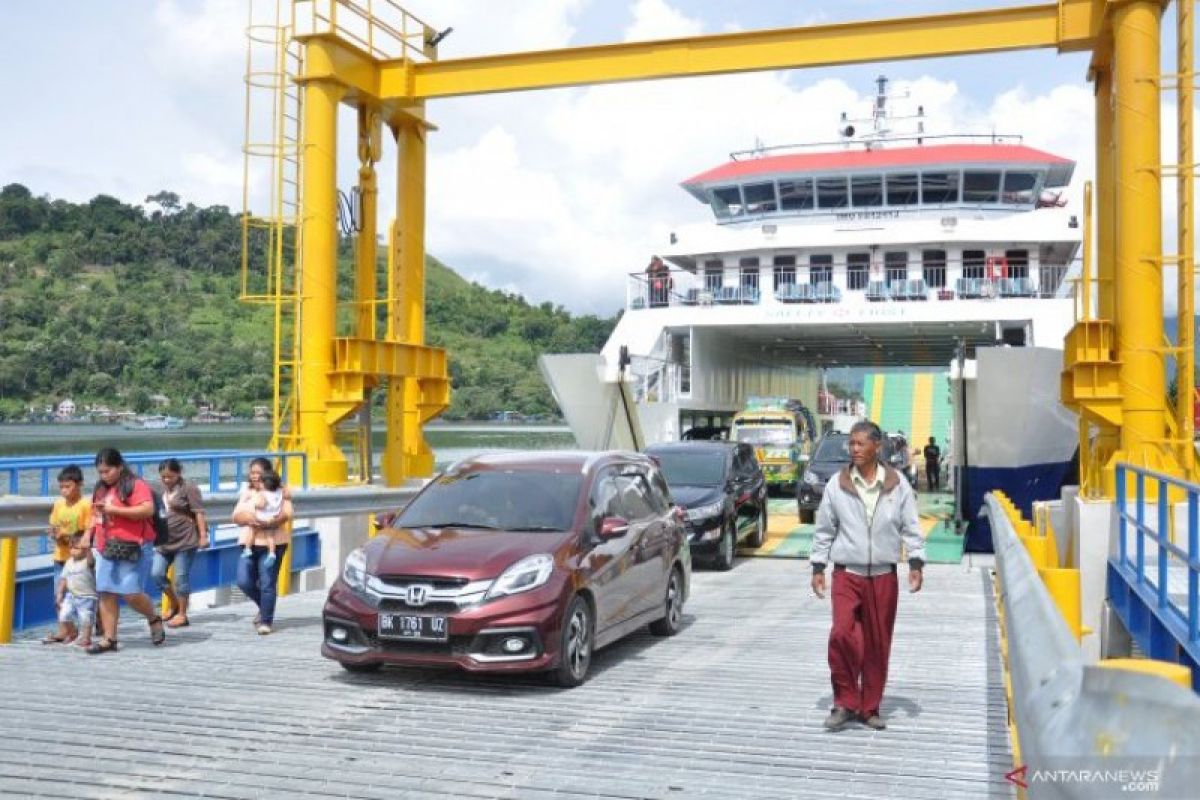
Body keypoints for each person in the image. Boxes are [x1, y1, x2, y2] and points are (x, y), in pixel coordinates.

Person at [810, 420, 925, 732]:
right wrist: (818, 566)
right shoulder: (838, 484)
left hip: (884, 575)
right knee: (842, 634)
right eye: (852, 444)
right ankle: (845, 701)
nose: (854, 449)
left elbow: (911, 526)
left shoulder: (897, 484)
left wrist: (916, 562)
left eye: (860, 444)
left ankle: (869, 707)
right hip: (847, 572)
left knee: (877, 643)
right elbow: (824, 529)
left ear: (878, 447)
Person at [82, 447, 166, 654]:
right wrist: (88, 534)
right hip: (106, 546)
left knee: (130, 593)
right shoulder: (101, 488)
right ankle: (109, 639)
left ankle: (153, 618)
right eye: (100, 472)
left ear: (119, 467)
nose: (104, 476)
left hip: (134, 546)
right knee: (106, 591)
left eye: (107, 471)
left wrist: (115, 510)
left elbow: (147, 509)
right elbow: (96, 514)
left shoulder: (135, 485)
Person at [232, 458, 293, 635]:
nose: (254, 476)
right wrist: (250, 519)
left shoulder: (280, 491)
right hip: (248, 542)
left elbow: (287, 513)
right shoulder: (247, 491)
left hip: (273, 542)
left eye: (258, 473)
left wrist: (270, 522)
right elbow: (235, 515)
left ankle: (266, 620)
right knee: (243, 581)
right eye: (252, 473)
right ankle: (264, 605)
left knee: (267, 583)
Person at [151, 458, 209, 628]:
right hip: (164, 540)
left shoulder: (189, 489)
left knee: (181, 578)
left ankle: (183, 614)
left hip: (185, 539)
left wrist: (203, 536)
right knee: (157, 573)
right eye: (163, 477)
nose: (166, 480)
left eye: (170, 476)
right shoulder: (159, 489)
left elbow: (198, 513)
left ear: (178, 473)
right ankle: (174, 602)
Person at [47, 465, 91, 611]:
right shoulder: (59, 505)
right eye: (61, 487)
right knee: (58, 593)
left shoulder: (85, 505)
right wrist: (54, 534)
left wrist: (66, 535)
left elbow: (87, 532)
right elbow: (54, 524)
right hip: (60, 556)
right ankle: (66, 630)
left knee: (83, 594)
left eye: (68, 486)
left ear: (79, 485)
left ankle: (95, 621)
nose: (64, 491)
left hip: (79, 559)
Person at [43, 536, 96, 647]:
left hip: (87, 596)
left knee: (86, 618)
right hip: (71, 595)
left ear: (85, 549)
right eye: (71, 548)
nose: (72, 551)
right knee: (64, 615)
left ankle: (86, 638)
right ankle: (72, 633)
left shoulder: (87, 561)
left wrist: (88, 549)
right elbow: (64, 579)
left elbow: (91, 563)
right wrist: (60, 593)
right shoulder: (69, 562)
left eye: (76, 548)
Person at [239, 470, 282, 565]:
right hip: (272, 518)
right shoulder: (279, 492)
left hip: (261, 518)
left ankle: (247, 549)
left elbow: (261, 505)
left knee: (252, 531)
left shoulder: (263, 494)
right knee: (270, 536)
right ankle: (271, 553)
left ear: (264, 484)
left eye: (261, 482)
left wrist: (254, 505)